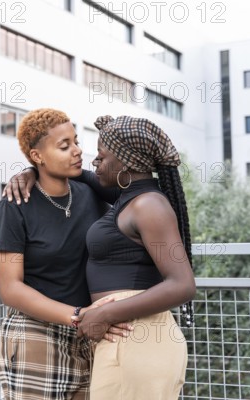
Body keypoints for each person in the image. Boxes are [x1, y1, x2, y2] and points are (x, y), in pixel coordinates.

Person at [0, 109, 130, 399]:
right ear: (38, 155)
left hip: (90, 332)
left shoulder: (90, 191)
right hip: (36, 335)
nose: (78, 151)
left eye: (76, 141)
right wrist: (78, 315)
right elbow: (10, 288)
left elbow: (137, 190)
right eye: (64, 146)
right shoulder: (14, 204)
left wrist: (31, 171)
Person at [71, 115, 196, 399]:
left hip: (136, 344)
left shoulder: (148, 205)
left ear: (125, 162)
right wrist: (32, 171)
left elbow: (183, 284)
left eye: (101, 156)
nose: (95, 163)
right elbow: (84, 175)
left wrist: (103, 314)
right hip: (128, 341)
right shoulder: (130, 198)